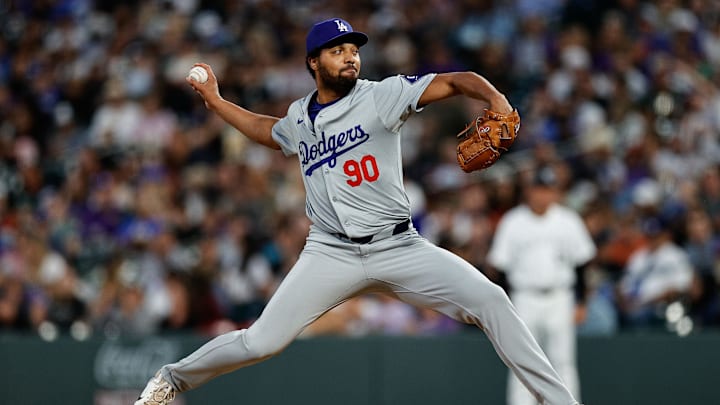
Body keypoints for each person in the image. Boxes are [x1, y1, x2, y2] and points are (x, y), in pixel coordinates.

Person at [135, 17, 581, 405]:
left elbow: (456, 79)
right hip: (330, 253)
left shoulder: (382, 96)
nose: (350, 57)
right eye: (338, 50)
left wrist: (496, 100)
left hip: (398, 245)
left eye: (353, 50)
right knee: (261, 341)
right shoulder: (300, 118)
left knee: (492, 300)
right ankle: (169, 381)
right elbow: (268, 131)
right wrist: (215, 102)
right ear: (314, 62)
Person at [487, 165, 597, 405]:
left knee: (563, 360)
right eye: (539, 189)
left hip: (560, 297)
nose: (543, 195)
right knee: (522, 360)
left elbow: (581, 265)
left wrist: (581, 302)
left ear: (555, 192)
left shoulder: (567, 220)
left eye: (548, 189)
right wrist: (506, 305)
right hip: (524, 298)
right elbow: (500, 268)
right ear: (529, 191)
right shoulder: (513, 221)